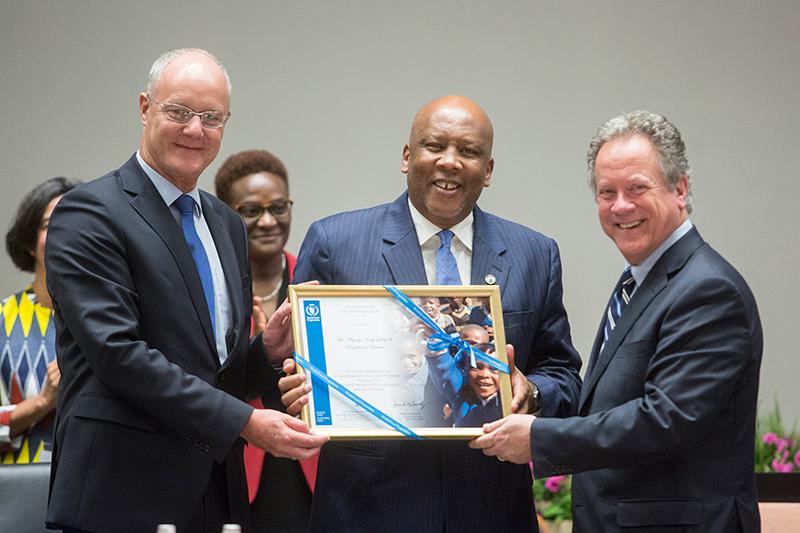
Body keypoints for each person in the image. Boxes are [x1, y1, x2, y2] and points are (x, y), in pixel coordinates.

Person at [44, 48, 327, 533]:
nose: (195, 129)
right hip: (121, 492)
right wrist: (244, 422)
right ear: (144, 107)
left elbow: (215, 371)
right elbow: (118, 354)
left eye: (212, 117)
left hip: (216, 491)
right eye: (179, 111)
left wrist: (266, 353)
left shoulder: (225, 224)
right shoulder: (90, 214)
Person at [279, 95, 581, 532]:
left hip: (491, 507)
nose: (450, 162)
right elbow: (295, 366)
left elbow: (564, 374)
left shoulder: (534, 254)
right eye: (434, 146)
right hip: (367, 509)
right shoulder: (335, 242)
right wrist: (294, 386)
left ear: (489, 171)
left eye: (469, 152)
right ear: (407, 156)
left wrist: (530, 392)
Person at [471, 110, 763, 532]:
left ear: (680, 189)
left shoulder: (708, 289)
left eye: (637, 188)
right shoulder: (640, 280)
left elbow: (664, 421)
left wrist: (538, 438)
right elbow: (608, 403)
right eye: (607, 192)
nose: (620, 206)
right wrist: (529, 393)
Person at [215, 149, 316, 533]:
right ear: (226, 214)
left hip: (310, 465)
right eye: (251, 210)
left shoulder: (312, 282)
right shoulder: (213, 291)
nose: (268, 221)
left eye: (279, 206)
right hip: (237, 462)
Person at [1, 177, 79, 464]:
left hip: (95, 494)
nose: (65, 233)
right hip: (17, 498)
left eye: (76, 222)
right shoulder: (3, 321)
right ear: (30, 243)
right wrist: (44, 401)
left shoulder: (114, 319)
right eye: (50, 224)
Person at [426, 342, 502, 427]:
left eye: (494, 369)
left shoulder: (509, 400)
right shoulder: (461, 395)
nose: (484, 375)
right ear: (465, 370)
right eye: (476, 367)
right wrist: (436, 348)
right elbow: (445, 373)